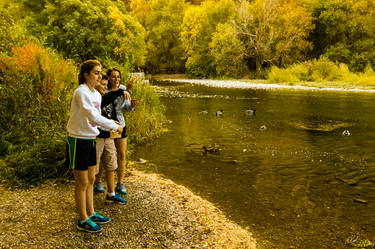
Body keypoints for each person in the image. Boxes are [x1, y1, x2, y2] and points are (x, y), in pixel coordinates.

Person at [66, 60, 123, 233]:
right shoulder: (81, 92)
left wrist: (109, 123)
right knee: (82, 182)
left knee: (91, 179)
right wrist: (113, 126)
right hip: (78, 139)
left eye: (100, 72)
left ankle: (91, 213)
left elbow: (96, 121)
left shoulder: (96, 95)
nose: (100, 76)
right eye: (96, 73)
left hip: (91, 138)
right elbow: (90, 115)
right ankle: (82, 219)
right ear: (86, 75)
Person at [93, 75, 127, 204]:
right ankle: (88, 196)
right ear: (95, 83)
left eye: (106, 85)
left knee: (111, 166)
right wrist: (121, 91)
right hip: (97, 137)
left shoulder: (103, 96)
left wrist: (112, 122)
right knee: (94, 168)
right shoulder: (94, 98)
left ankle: (111, 194)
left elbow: (109, 108)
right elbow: (95, 117)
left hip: (108, 137)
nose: (105, 87)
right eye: (102, 84)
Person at [105, 67, 137, 195]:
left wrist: (132, 106)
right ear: (108, 78)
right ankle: (98, 182)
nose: (116, 79)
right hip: (107, 126)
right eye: (113, 76)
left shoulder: (123, 89)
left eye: (118, 77)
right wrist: (127, 90)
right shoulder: (104, 89)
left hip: (120, 125)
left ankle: (120, 182)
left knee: (122, 154)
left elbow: (126, 109)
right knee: (106, 156)